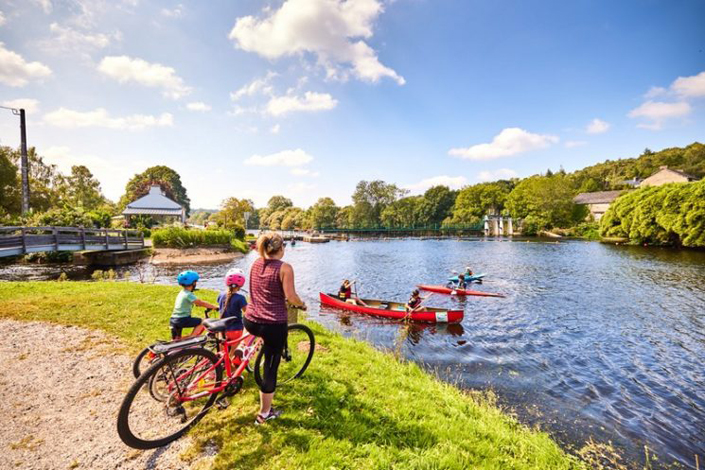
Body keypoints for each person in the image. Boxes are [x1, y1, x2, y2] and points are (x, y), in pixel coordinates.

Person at [244, 232, 306, 425]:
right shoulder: (285, 268)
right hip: (272, 324)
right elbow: (291, 296)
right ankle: (264, 414)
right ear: (281, 249)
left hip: (251, 319)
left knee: (259, 339)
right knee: (271, 366)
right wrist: (301, 304)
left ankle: (242, 351)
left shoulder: (255, 264)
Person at [170, 270, 219, 340]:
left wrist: (195, 303)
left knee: (176, 340)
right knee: (203, 322)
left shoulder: (182, 292)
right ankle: (192, 338)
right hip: (182, 319)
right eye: (195, 282)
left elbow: (188, 303)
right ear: (193, 283)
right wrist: (215, 307)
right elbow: (201, 303)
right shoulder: (188, 294)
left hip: (174, 320)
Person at [218, 268, 247, 343]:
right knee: (233, 354)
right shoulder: (240, 298)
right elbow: (247, 313)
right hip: (236, 330)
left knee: (223, 353)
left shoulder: (221, 295)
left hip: (222, 329)